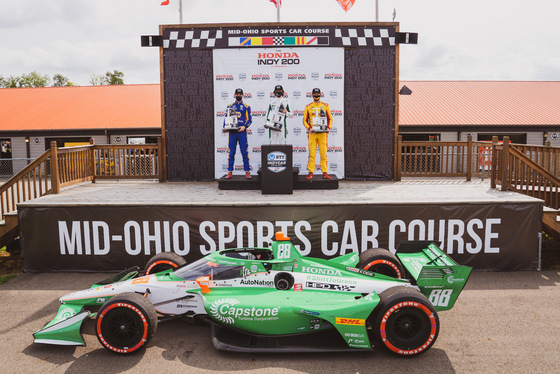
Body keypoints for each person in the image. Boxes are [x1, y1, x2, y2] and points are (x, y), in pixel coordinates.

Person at [303, 88, 333, 180]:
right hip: (312, 133)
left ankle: (324, 172)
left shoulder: (325, 105)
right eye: (314, 94)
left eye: (318, 93)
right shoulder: (308, 106)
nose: (316, 95)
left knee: (323, 153)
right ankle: (311, 172)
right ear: (312, 95)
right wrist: (309, 128)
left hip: (322, 133)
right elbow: (304, 120)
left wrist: (328, 128)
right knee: (312, 153)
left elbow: (330, 119)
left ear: (320, 94)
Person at [223, 88, 252, 179]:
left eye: (240, 94)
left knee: (244, 152)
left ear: (243, 95)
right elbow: (226, 119)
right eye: (237, 94)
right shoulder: (230, 106)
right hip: (232, 133)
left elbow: (250, 120)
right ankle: (229, 172)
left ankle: (247, 172)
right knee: (231, 153)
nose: (238, 95)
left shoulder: (247, 107)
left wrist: (244, 127)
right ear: (234, 95)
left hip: (242, 133)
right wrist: (224, 127)